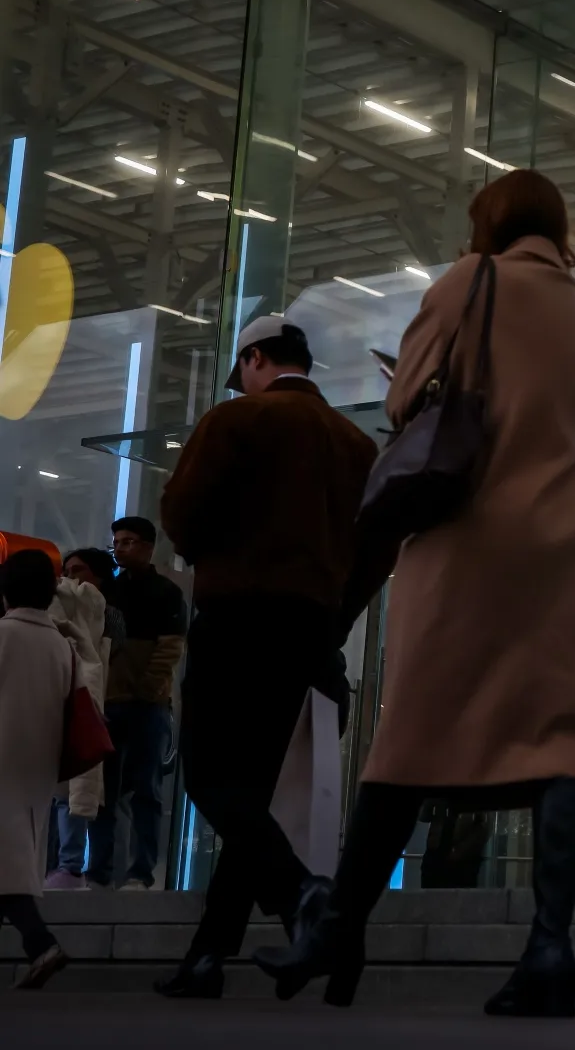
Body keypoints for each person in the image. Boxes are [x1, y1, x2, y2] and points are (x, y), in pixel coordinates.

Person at [257, 169, 575, 1019]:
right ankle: (549, 948)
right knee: (566, 743)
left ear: (490, 223)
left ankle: (338, 929)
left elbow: (405, 402)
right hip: (567, 543)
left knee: (413, 738)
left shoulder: (471, 282)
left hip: (474, 540)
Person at [153, 316, 379, 998]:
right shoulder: (358, 446)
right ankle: (206, 956)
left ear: (254, 357)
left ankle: (303, 896)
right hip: (311, 630)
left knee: (208, 778)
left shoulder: (239, 420)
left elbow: (183, 513)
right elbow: (373, 550)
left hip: (238, 618)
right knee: (253, 797)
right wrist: (335, 619)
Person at [1, 550, 84, 989]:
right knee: (10, 858)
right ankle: (38, 945)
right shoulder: (61, 645)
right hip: (38, 764)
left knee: (6, 864)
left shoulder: (3, 635)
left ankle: (40, 942)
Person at [92, 517, 185, 891]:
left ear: (148, 546)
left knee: (146, 789)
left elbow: (170, 647)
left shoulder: (165, 592)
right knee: (103, 791)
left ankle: (140, 872)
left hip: (147, 705)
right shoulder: (108, 592)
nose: (120, 548)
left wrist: (148, 687)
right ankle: (98, 870)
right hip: (112, 701)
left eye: (129, 541)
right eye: (117, 541)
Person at [43, 566, 113, 892]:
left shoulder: (94, 615)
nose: (71, 578)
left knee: (68, 796)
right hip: (76, 707)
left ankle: (69, 866)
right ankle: (65, 866)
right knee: (64, 795)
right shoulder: (93, 620)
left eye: (79, 570)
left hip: (75, 709)